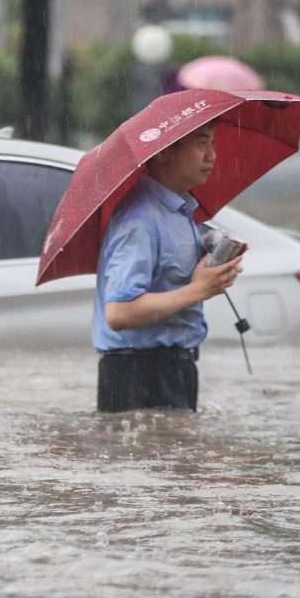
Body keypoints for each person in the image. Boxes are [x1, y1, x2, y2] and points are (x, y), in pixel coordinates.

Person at [93, 124, 242, 413]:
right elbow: (119, 312)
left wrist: (213, 268)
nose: (212, 156)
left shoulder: (181, 211)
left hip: (175, 367)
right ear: (163, 152)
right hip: (138, 372)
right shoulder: (139, 219)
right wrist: (198, 290)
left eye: (212, 143)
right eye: (200, 144)